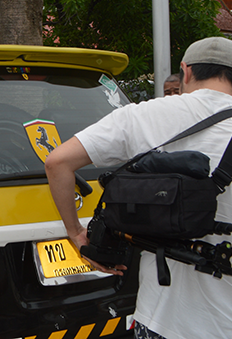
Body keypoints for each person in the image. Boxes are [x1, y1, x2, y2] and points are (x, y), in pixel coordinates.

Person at [45, 36, 232, 339]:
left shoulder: (142, 116)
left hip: (162, 319)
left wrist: (76, 234)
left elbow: (57, 163)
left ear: (185, 71)